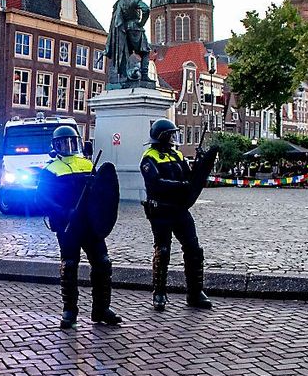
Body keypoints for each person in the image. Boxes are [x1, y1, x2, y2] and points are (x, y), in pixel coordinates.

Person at [36, 126, 122, 329]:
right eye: (64, 143)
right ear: (55, 146)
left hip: (91, 224)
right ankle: (69, 310)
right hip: (67, 225)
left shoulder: (87, 164)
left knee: (103, 262)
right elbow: (41, 199)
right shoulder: (50, 169)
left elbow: (101, 194)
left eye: (72, 142)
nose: (68, 146)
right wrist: (63, 212)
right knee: (69, 265)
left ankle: (101, 308)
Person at [140, 119, 212, 311]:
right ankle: (159, 293)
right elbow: (156, 183)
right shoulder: (149, 158)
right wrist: (181, 187)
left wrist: (199, 165)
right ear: (162, 137)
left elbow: (189, 178)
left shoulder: (177, 154)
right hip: (161, 210)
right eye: (170, 135)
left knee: (194, 249)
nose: (173, 138)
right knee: (163, 250)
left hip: (180, 209)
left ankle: (195, 292)